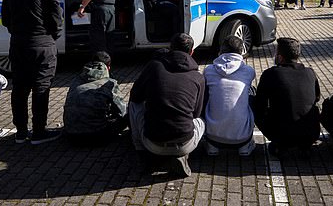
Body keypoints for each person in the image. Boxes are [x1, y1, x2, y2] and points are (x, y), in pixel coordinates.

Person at [2, 0, 63, 145]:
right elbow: (56, 17)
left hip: (18, 44)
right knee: (41, 87)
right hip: (42, 44)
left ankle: (20, 132)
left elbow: (5, 19)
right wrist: (53, 35)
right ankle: (38, 132)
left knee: (19, 88)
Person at [129, 33, 205, 177]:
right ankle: (182, 156)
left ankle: (141, 151)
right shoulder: (198, 77)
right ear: (192, 52)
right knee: (202, 120)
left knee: (134, 104)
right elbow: (196, 113)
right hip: (185, 143)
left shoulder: (154, 67)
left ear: (170, 49)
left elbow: (135, 96)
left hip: (152, 141)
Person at [253, 37, 321, 156]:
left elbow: (260, 104)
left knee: (255, 106)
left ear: (280, 56)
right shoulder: (310, 72)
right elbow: (316, 98)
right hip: (310, 132)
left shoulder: (271, 74)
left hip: (282, 134)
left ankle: (280, 144)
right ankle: (304, 144)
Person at [202, 36, 256, 156]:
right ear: (241, 52)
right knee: (251, 91)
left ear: (221, 51)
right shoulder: (249, 71)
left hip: (213, 136)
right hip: (242, 138)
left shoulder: (208, 70)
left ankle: (212, 147)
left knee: (207, 91)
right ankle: (245, 146)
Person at [63, 51, 128, 145]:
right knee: (130, 111)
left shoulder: (76, 80)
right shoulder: (109, 83)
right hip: (97, 136)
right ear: (108, 67)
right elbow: (122, 111)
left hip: (71, 136)